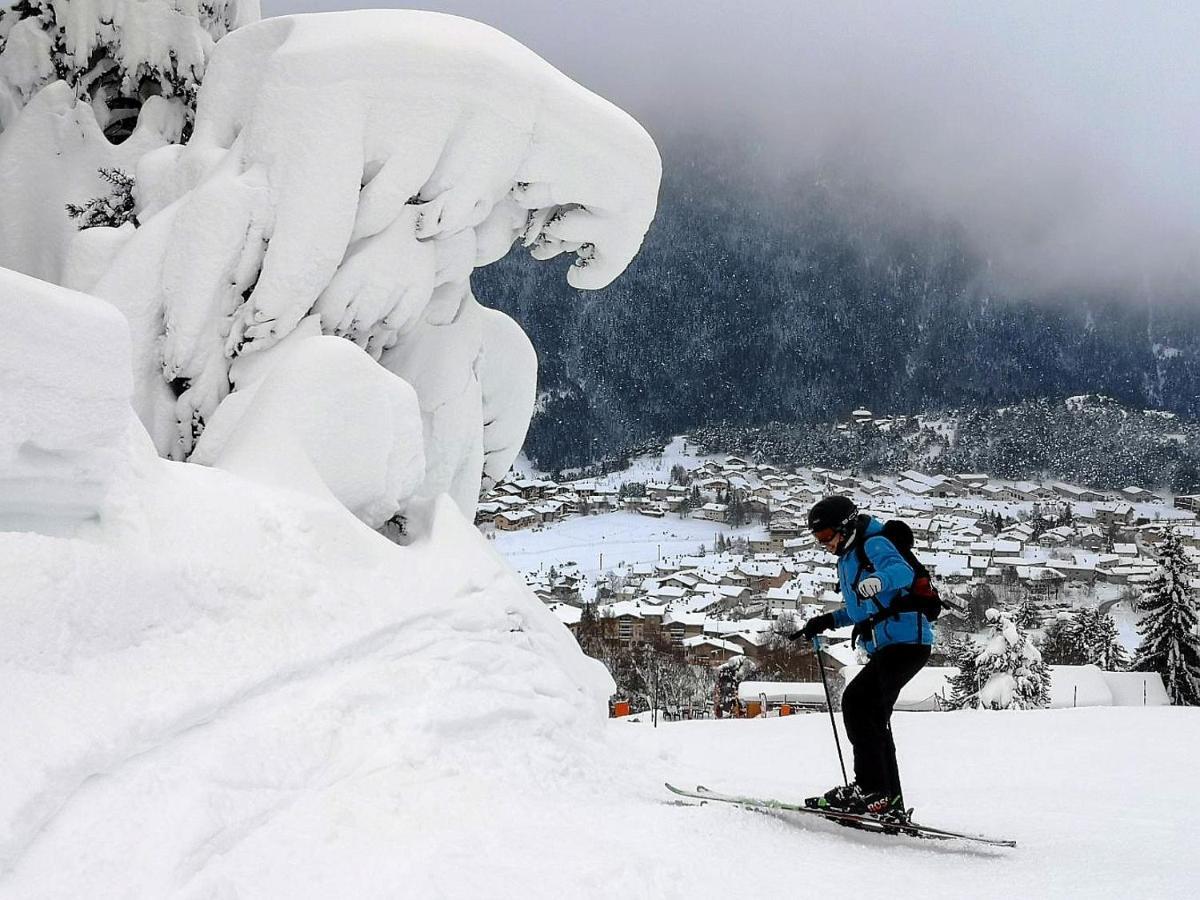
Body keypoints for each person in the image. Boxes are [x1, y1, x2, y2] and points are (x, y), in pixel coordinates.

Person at [791, 495, 932, 822]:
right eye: (818, 539)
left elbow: (901, 572)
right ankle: (888, 801)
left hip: (909, 641)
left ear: (847, 527)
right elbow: (859, 609)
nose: (824, 544)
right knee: (873, 718)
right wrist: (826, 621)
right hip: (894, 644)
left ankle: (870, 790)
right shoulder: (849, 557)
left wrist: (880, 579)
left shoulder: (875, 544)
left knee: (856, 702)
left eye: (826, 536)